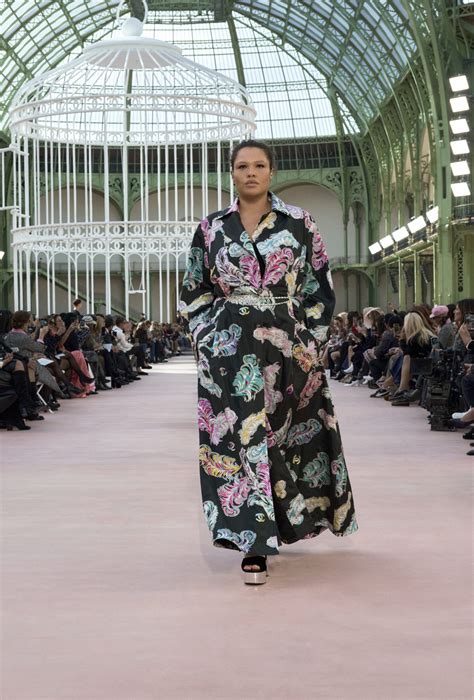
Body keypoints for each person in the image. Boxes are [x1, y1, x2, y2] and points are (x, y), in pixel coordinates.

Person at [179, 139, 357, 585]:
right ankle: (253, 542)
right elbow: (194, 290)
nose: (251, 173)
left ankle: (288, 521)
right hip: (229, 352)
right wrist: (205, 338)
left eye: (259, 165)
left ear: (271, 172)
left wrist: (311, 342)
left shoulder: (299, 222)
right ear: (232, 173)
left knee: (286, 434)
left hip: (288, 346)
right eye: (243, 166)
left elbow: (319, 287)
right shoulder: (211, 227)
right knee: (239, 440)